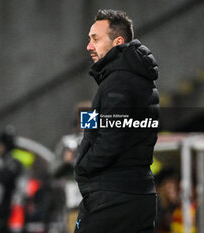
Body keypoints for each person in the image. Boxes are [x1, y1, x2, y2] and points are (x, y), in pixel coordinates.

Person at [74, 9, 159, 233]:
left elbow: (110, 140)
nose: (89, 46)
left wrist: (82, 167)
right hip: (140, 195)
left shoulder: (118, 82)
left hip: (112, 198)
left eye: (95, 39)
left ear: (118, 41)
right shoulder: (137, 79)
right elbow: (98, 128)